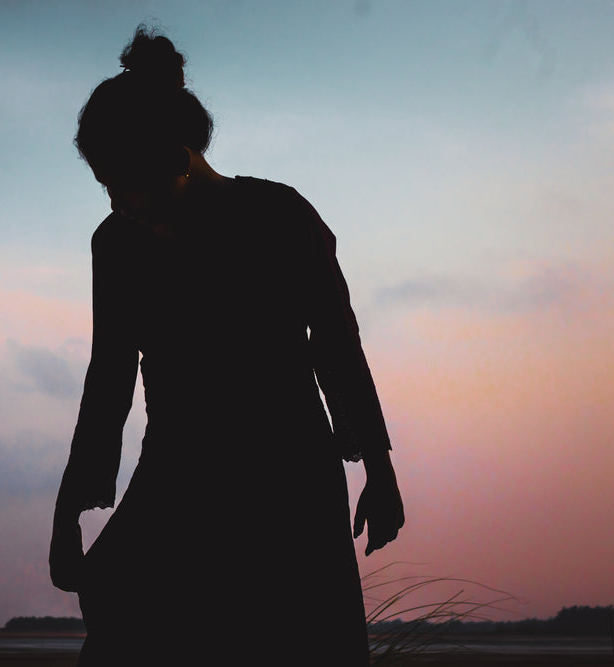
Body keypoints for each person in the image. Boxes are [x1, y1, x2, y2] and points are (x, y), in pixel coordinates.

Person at [50, 26, 404, 666]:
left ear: (173, 161)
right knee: (120, 601)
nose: (114, 203)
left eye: (120, 183)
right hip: (180, 465)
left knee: (293, 636)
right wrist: (69, 506)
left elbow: (337, 347)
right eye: (103, 185)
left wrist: (378, 470)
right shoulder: (117, 246)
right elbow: (108, 378)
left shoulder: (281, 216)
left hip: (288, 470)